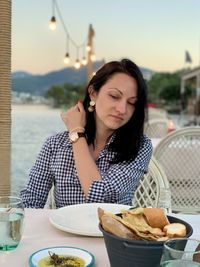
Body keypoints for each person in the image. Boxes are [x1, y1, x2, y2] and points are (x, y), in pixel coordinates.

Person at [20, 58, 153, 208]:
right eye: (114, 96)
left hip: (112, 231)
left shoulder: (139, 146)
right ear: (93, 93)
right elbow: (31, 201)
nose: (122, 109)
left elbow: (100, 197)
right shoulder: (55, 145)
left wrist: (77, 134)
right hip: (64, 230)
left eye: (131, 103)